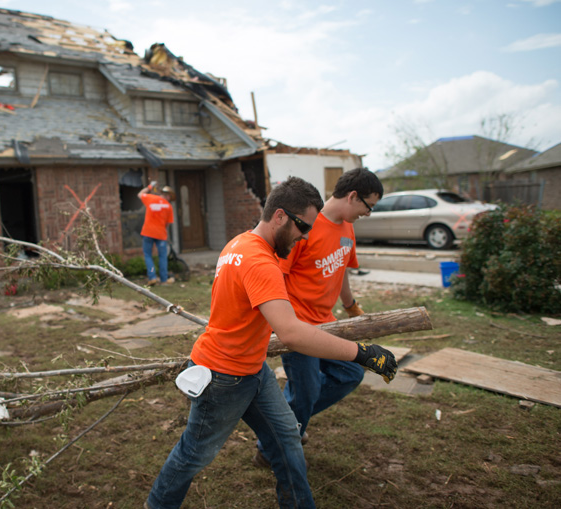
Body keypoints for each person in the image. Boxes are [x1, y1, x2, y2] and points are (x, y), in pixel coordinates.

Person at [145, 176, 397, 509]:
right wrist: (362, 353)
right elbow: (290, 332)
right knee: (193, 454)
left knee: (286, 438)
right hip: (223, 377)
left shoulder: (239, 244)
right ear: (279, 216)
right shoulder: (261, 262)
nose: (304, 236)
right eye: (302, 227)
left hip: (252, 369)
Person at [253, 167, 384, 468]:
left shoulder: (347, 228)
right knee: (307, 390)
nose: (369, 213)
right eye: (369, 205)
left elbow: (342, 271)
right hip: (299, 326)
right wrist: (282, 323)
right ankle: (269, 445)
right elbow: (278, 277)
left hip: (328, 322)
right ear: (353, 196)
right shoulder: (306, 226)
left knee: (350, 374)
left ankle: (293, 419)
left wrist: (351, 307)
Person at [138, 181, 175, 286]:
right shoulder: (168, 206)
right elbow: (168, 224)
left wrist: (150, 186)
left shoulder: (151, 199)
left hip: (148, 232)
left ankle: (152, 277)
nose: (169, 199)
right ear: (167, 195)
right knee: (162, 256)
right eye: (170, 197)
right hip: (161, 234)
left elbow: (140, 194)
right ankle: (163, 280)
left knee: (148, 255)